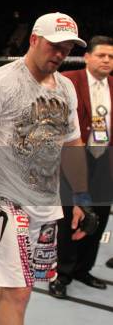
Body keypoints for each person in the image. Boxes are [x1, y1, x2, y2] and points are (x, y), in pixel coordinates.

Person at [0, 12, 98, 325]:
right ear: (34, 40)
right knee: (18, 291)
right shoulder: (1, 81)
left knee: (21, 287)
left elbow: (72, 144)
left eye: (68, 47)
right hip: (6, 200)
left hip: (46, 203)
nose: (61, 53)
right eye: (54, 45)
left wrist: (81, 196)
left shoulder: (65, 89)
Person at [49, 35, 113, 298]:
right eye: (102, 55)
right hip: (75, 156)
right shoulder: (69, 80)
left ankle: (83, 270)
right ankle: (62, 274)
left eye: (111, 56)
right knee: (68, 219)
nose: (107, 60)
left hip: (104, 160)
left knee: (98, 217)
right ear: (87, 57)